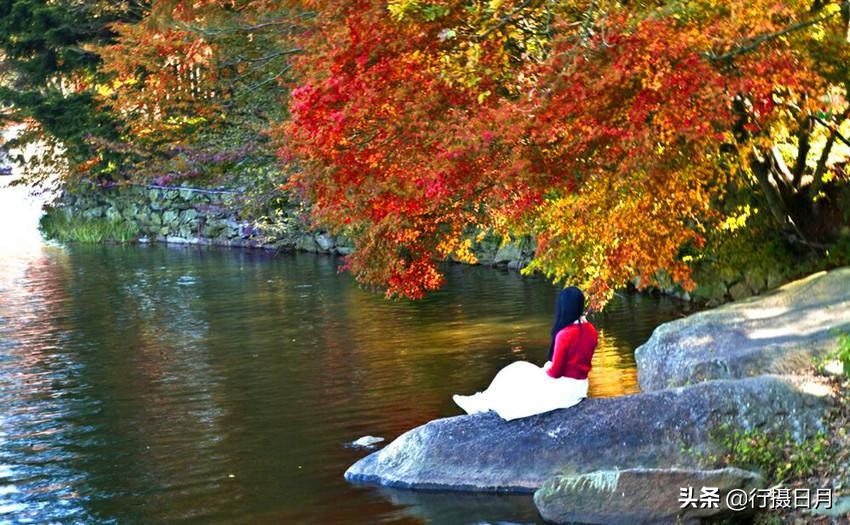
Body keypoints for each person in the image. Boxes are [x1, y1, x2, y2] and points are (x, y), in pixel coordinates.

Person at [452, 286, 598, 421]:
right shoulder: (591, 330)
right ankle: (481, 400)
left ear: (563, 307)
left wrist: (543, 371)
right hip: (580, 387)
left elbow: (555, 373)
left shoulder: (564, 335)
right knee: (519, 369)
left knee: (515, 371)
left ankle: (481, 403)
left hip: (565, 391)